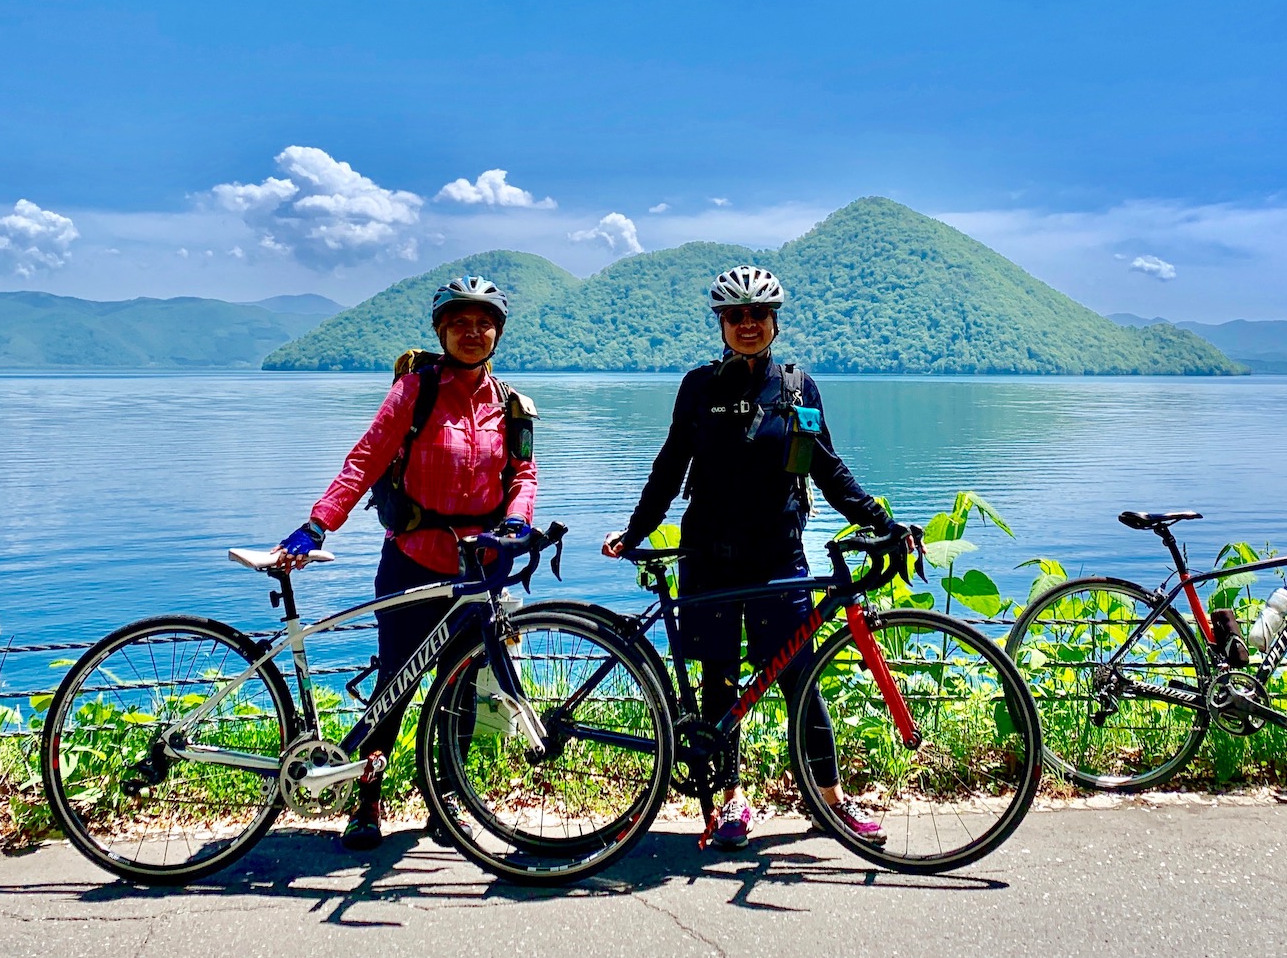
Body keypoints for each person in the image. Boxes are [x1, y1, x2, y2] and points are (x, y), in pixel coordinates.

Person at [603, 264, 911, 850]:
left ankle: (828, 802)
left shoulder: (797, 388)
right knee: (720, 681)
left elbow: (826, 466)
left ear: (774, 322)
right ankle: (728, 802)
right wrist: (635, 530)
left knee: (800, 677)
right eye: (735, 316)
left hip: (779, 555)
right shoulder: (698, 387)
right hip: (709, 555)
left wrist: (880, 519)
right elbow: (669, 468)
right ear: (721, 323)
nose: (747, 324)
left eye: (758, 315)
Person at [269, 274, 537, 850]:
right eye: (459, 323)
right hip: (412, 560)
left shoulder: (511, 406)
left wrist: (517, 520)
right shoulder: (415, 391)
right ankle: (366, 802)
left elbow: (523, 475)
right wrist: (318, 522)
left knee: (460, 688)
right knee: (396, 683)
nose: (473, 332)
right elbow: (366, 459)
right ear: (441, 332)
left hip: (478, 566)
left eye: (483, 322)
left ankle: (448, 801)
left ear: (498, 333)